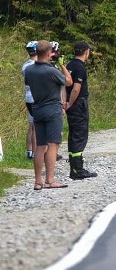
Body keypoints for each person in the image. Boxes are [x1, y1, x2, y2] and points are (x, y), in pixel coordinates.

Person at [25, 40, 72, 190]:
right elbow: (68, 82)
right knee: (53, 145)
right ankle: (50, 180)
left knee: (40, 146)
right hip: (52, 110)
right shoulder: (51, 71)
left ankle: (37, 181)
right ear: (48, 53)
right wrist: (62, 65)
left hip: (37, 109)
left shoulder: (29, 71)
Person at [66, 41, 97, 179]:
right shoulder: (80, 67)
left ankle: (74, 168)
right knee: (80, 134)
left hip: (71, 104)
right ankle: (78, 169)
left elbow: (64, 85)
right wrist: (70, 103)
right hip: (78, 104)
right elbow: (76, 88)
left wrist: (65, 102)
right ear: (86, 52)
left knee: (73, 134)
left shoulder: (69, 65)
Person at [23, 41, 38, 159]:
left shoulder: (26, 65)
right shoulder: (36, 65)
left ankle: (29, 151)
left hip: (28, 97)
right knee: (36, 127)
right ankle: (36, 153)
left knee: (32, 125)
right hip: (35, 97)